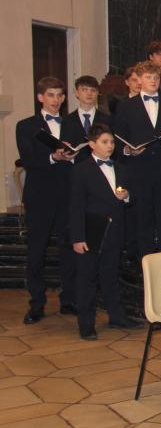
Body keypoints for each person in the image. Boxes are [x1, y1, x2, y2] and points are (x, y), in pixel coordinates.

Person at [15, 76, 78, 324]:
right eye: (51, 95)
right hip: (40, 196)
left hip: (67, 195)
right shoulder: (26, 125)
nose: (56, 100)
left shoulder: (72, 125)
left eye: (60, 95)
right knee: (36, 252)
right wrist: (53, 157)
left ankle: (68, 300)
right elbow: (27, 159)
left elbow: (82, 158)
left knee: (68, 249)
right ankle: (37, 304)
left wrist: (72, 156)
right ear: (40, 97)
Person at [69, 124, 140, 340]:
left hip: (115, 231)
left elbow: (130, 197)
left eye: (112, 142)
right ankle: (86, 324)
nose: (110, 146)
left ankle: (116, 316)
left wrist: (126, 196)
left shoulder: (120, 167)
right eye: (105, 142)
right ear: (92, 144)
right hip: (91, 231)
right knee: (87, 279)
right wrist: (78, 237)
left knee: (110, 276)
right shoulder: (81, 169)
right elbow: (76, 206)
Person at [113, 61, 161, 256]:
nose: (153, 81)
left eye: (156, 77)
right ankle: (145, 267)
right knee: (143, 220)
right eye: (148, 77)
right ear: (139, 80)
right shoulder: (126, 106)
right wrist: (127, 150)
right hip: (139, 171)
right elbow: (118, 138)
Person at [62, 75, 112, 163]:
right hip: (74, 170)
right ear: (76, 92)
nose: (89, 93)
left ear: (97, 93)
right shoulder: (66, 120)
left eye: (93, 90)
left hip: (100, 168)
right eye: (84, 89)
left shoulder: (108, 120)